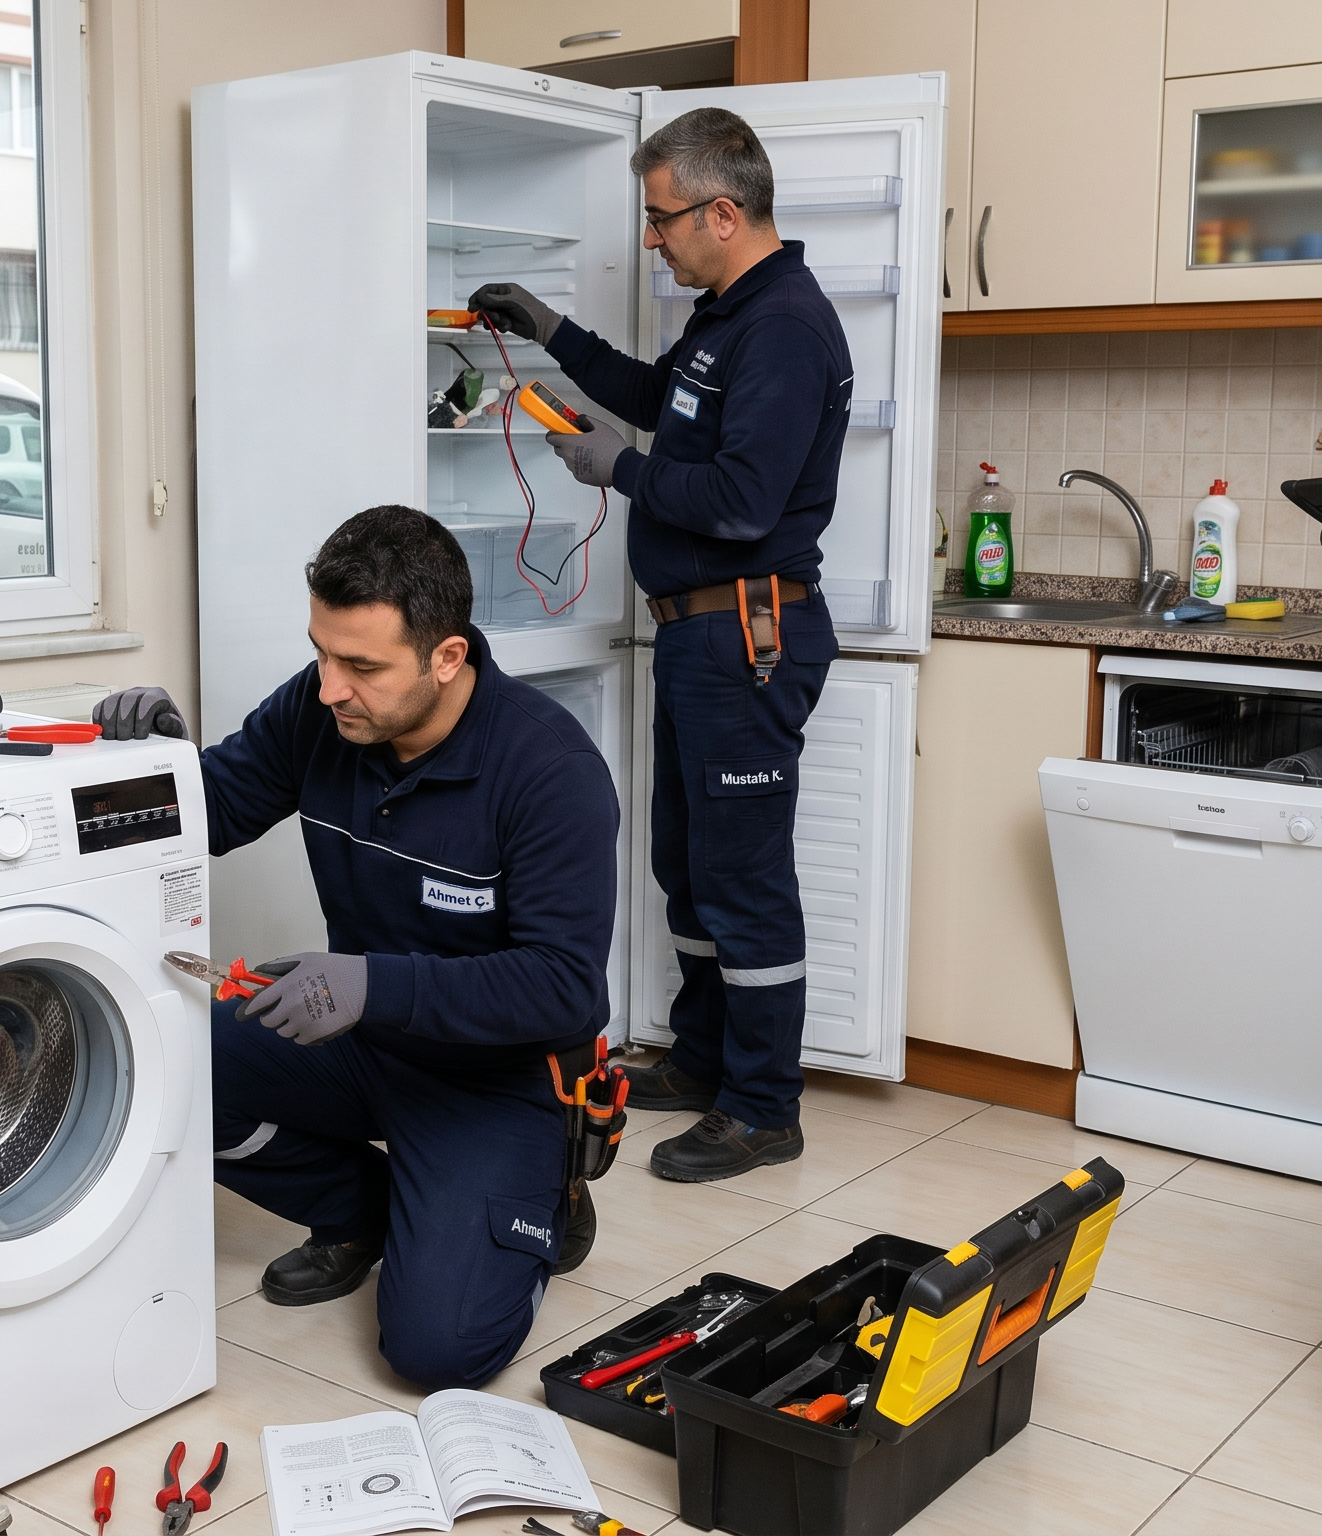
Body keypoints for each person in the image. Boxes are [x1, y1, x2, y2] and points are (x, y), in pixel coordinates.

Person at [94, 506, 621, 1389]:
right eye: (321, 654)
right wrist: (146, 769)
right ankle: (360, 1210)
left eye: (362, 666)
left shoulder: (547, 771)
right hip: (360, 1042)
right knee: (161, 1058)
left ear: (448, 657)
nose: (331, 686)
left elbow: (566, 988)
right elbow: (208, 811)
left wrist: (373, 985)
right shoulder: (321, 710)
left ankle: (544, 1196)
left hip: (493, 1082)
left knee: (436, 1354)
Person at [465, 106, 853, 1183]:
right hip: (701, 637)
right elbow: (656, 400)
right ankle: (708, 1056)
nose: (650, 238)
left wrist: (615, 471)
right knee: (685, 865)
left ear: (722, 213)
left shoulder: (781, 327)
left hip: (746, 631)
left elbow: (736, 501)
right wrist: (550, 329)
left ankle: (765, 1107)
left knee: (742, 878)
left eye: (661, 219)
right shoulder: (729, 314)